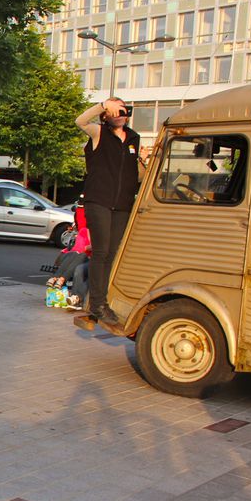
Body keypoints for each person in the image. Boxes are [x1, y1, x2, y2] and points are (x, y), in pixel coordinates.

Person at [74, 97, 141, 330]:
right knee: (101, 253)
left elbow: (135, 173)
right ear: (106, 115)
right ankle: (98, 305)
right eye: (115, 110)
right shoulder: (98, 133)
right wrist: (102, 105)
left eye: (123, 109)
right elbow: (79, 120)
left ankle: (101, 301)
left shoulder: (134, 139)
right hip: (99, 201)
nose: (120, 113)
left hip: (122, 203)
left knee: (113, 254)